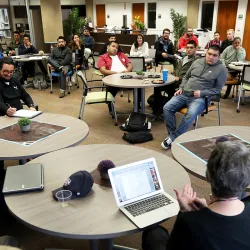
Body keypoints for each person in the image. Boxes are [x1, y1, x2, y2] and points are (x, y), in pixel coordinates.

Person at [142, 141, 250, 250]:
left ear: (207, 177)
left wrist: (183, 213)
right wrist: (206, 210)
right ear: (246, 181)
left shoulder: (190, 222)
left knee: (153, 233)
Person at [161, 45, 227, 150]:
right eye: (209, 54)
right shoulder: (197, 62)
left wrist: (202, 93)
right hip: (184, 93)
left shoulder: (221, 70)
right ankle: (174, 136)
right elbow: (186, 76)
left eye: (214, 55)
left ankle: (172, 138)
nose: (211, 57)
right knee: (167, 108)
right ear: (206, 53)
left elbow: (217, 90)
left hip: (201, 98)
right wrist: (181, 87)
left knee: (190, 114)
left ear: (219, 57)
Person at [153, 40, 199, 116]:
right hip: (174, 80)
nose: (189, 50)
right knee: (157, 86)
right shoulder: (182, 59)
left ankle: (164, 109)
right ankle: (157, 111)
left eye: (191, 48)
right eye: (187, 48)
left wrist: (179, 78)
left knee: (167, 88)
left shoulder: (196, 61)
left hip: (183, 84)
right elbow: (176, 70)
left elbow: (192, 76)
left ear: (196, 49)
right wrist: (172, 75)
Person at [98, 41, 132, 112]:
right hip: (113, 78)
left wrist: (127, 71)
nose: (115, 48)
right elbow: (102, 70)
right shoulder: (103, 57)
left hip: (126, 77)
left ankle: (138, 107)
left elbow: (130, 65)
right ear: (108, 47)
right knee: (111, 90)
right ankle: (111, 108)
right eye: (113, 46)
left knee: (139, 87)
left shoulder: (121, 54)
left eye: (116, 47)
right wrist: (116, 73)